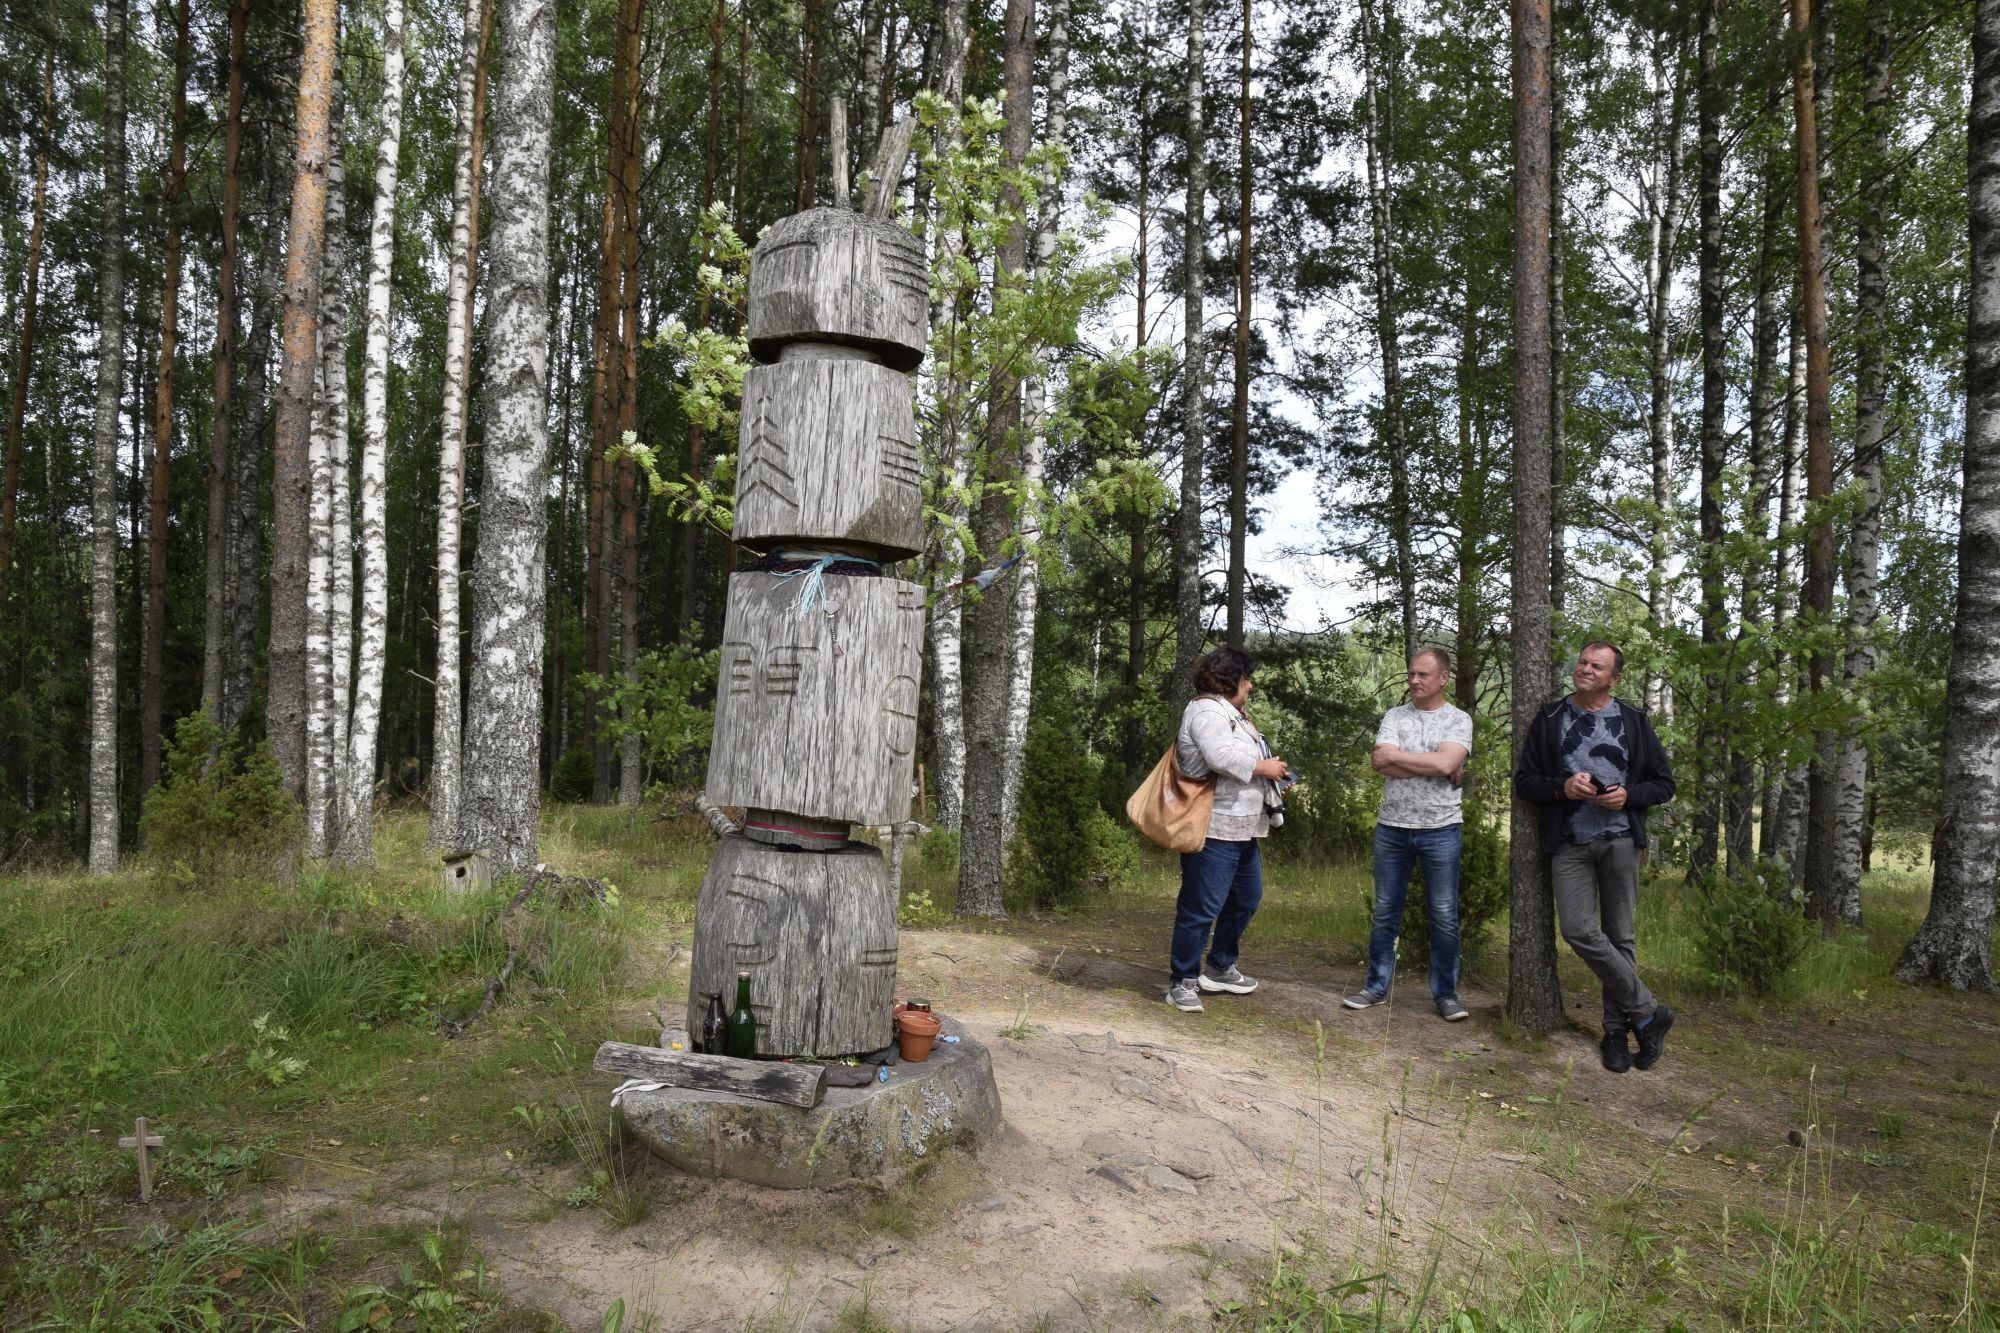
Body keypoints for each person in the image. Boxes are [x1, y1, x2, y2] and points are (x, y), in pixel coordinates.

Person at [1513, 641, 1678, 1073]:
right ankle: (1648, 1011)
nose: (1585, 670)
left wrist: (1628, 797)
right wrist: (1561, 789)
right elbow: (1525, 782)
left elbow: (1664, 783)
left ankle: (1616, 1032)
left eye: (1597, 666)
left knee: (1620, 937)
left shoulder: (1633, 721)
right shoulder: (1550, 717)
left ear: (1614, 678)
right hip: (1569, 840)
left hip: (1622, 839)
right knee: (1579, 930)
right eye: (1583, 662)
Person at [1343, 647, 1474, 1022]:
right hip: (1392, 829)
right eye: (1411, 674)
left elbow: (1447, 762)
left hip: (1441, 829)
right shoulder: (1394, 715)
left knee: (1444, 915)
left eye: (1423, 675)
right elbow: (1379, 761)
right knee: (1385, 912)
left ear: (1443, 678)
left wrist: (1406, 760)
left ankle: (1446, 996)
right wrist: (1432, 765)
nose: (1415, 681)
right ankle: (1375, 986)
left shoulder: (1458, 720)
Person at [1164, 647, 1292, 1013]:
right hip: (1214, 827)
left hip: (1244, 828)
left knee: (1247, 898)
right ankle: (1182, 981)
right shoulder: (1205, 711)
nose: (1250, 686)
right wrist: (1263, 768)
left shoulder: (1231, 713)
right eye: (1246, 678)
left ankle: (1219, 967)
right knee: (1200, 907)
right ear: (1229, 680)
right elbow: (1219, 757)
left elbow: (1243, 756)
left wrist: (1276, 775)